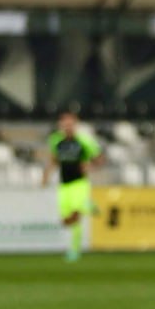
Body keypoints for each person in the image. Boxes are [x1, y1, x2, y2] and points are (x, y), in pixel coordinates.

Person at [41, 111, 103, 262]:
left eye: (70, 124)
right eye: (64, 124)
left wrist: (90, 165)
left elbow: (99, 158)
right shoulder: (56, 140)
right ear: (60, 126)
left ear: (75, 125)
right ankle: (87, 207)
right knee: (66, 221)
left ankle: (74, 251)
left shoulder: (84, 141)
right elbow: (54, 159)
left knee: (75, 216)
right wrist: (46, 175)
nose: (67, 127)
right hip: (64, 185)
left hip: (79, 183)